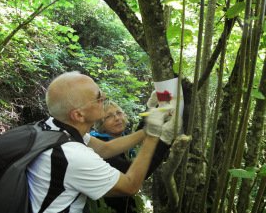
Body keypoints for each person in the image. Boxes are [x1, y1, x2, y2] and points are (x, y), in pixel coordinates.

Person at [27, 71, 181, 213]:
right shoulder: (73, 156)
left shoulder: (55, 126)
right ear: (78, 115)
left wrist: (148, 128)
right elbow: (130, 185)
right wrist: (157, 137)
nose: (104, 96)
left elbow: (105, 148)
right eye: (98, 97)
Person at [89, 99, 172, 213]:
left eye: (119, 113)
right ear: (99, 123)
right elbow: (136, 171)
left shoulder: (117, 137)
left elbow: (137, 135)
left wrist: (151, 106)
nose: (117, 118)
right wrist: (164, 141)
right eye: (109, 116)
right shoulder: (98, 148)